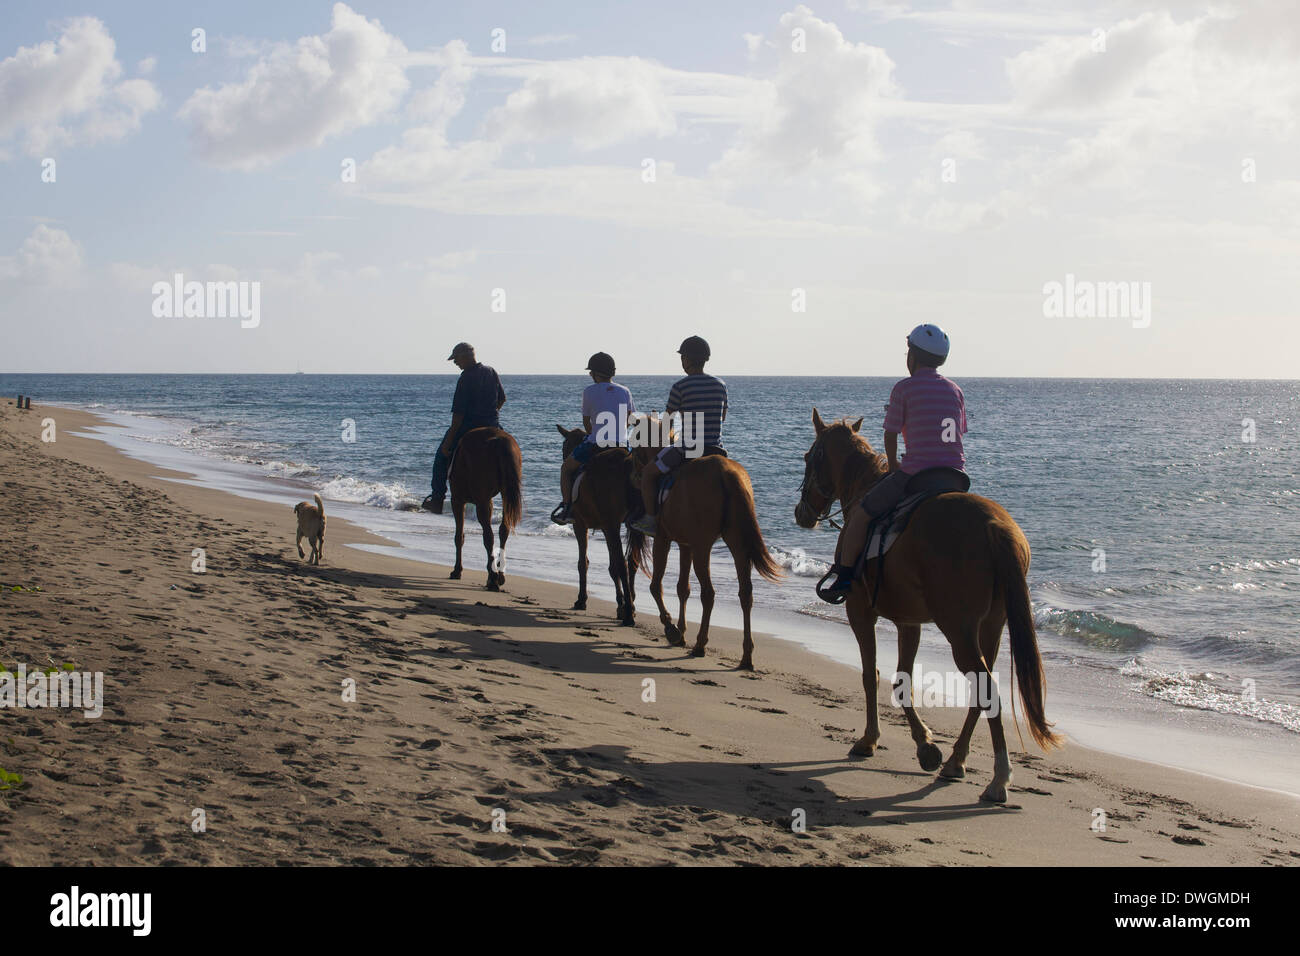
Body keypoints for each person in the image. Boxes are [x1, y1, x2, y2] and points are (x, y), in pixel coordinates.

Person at [819, 323, 968, 598]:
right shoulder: (956, 390)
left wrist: (893, 466)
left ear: (912, 356)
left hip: (917, 475)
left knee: (860, 517)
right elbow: (958, 433)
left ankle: (844, 579)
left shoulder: (904, 388)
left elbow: (890, 434)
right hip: (955, 476)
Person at [629, 335, 728, 536]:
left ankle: (651, 520)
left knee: (648, 473)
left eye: (683, 357)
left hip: (688, 449)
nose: (682, 361)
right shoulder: (720, 385)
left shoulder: (680, 387)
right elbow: (723, 417)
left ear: (688, 360)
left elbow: (667, 424)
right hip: (717, 449)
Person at [551, 352, 637, 525]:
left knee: (566, 469)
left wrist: (593, 434)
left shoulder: (589, 391)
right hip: (622, 444)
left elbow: (586, 421)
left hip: (596, 443)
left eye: (591, 372)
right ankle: (641, 509)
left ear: (596, 373)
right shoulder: (625, 391)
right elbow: (630, 419)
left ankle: (567, 507)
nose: (590, 375)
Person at [422, 342, 506, 513]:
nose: (455, 363)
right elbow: (502, 399)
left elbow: (458, 416)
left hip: (469, 426)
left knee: (440, 459)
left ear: (466, 356)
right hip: (492, 424)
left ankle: (437, 498)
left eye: (456, 359)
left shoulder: (465, 377)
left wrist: (448, 442)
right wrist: (489, 414)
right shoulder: (491, 371)